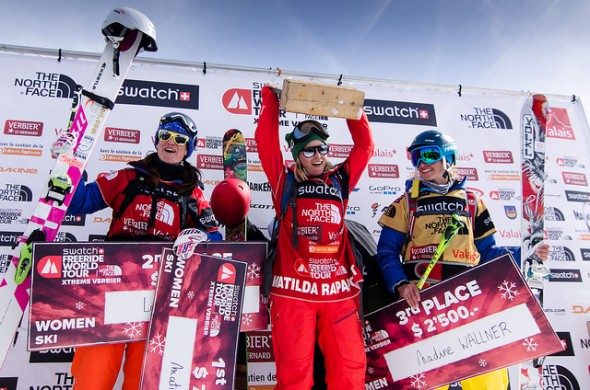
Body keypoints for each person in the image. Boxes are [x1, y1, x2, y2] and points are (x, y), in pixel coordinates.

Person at [376, 129, 549, 390]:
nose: (422, 163)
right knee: (428, 382)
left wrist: (525, 253)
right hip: (425, 303)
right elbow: (387, 251)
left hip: (468, 300)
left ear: (448, 158)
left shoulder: (472, 202)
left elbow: (488, 253)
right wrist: (400, 284)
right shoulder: (406, 203)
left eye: (430, 155)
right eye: (416, 157)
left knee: (487, 380)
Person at [64, 112, 222, 389]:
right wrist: (69, 163)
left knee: (143, 381)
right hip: (110, 289)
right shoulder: (129, 177)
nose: (170, 141)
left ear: (188, 147)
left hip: (158, 297)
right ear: (156, 140)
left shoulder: (192, 194)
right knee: (93, 377)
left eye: (179, 138)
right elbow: (78, 203)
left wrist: (196, 237)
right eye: (165, 135)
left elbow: (214, 241)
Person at [255, 85, 375, 389]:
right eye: (309, 150)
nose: (318, 155)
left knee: (349, 371)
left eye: (322, 148)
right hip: (294, 293)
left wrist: (353, 110)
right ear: (298, 155)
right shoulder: (285, 181)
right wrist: (271, 101)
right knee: (294, 375)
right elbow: (265, 141)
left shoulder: (340, 180)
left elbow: (365, 147)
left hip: (338, 292)